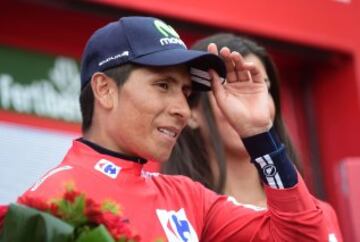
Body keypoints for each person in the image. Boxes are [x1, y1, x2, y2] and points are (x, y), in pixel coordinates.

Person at [19, 17, 329, 241]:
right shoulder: (51, 202)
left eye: (185, 91)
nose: (182, 108)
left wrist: (259, 135)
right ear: (104, 90)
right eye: (163, 85)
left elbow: (303, 236)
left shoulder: (185, 195)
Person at [163, 33, 343, 241]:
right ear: (192, 111)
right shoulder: (178, 213)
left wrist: (258, 135)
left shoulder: (320, 214)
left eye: (262, 87)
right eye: (227, 85)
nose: (249, 102)